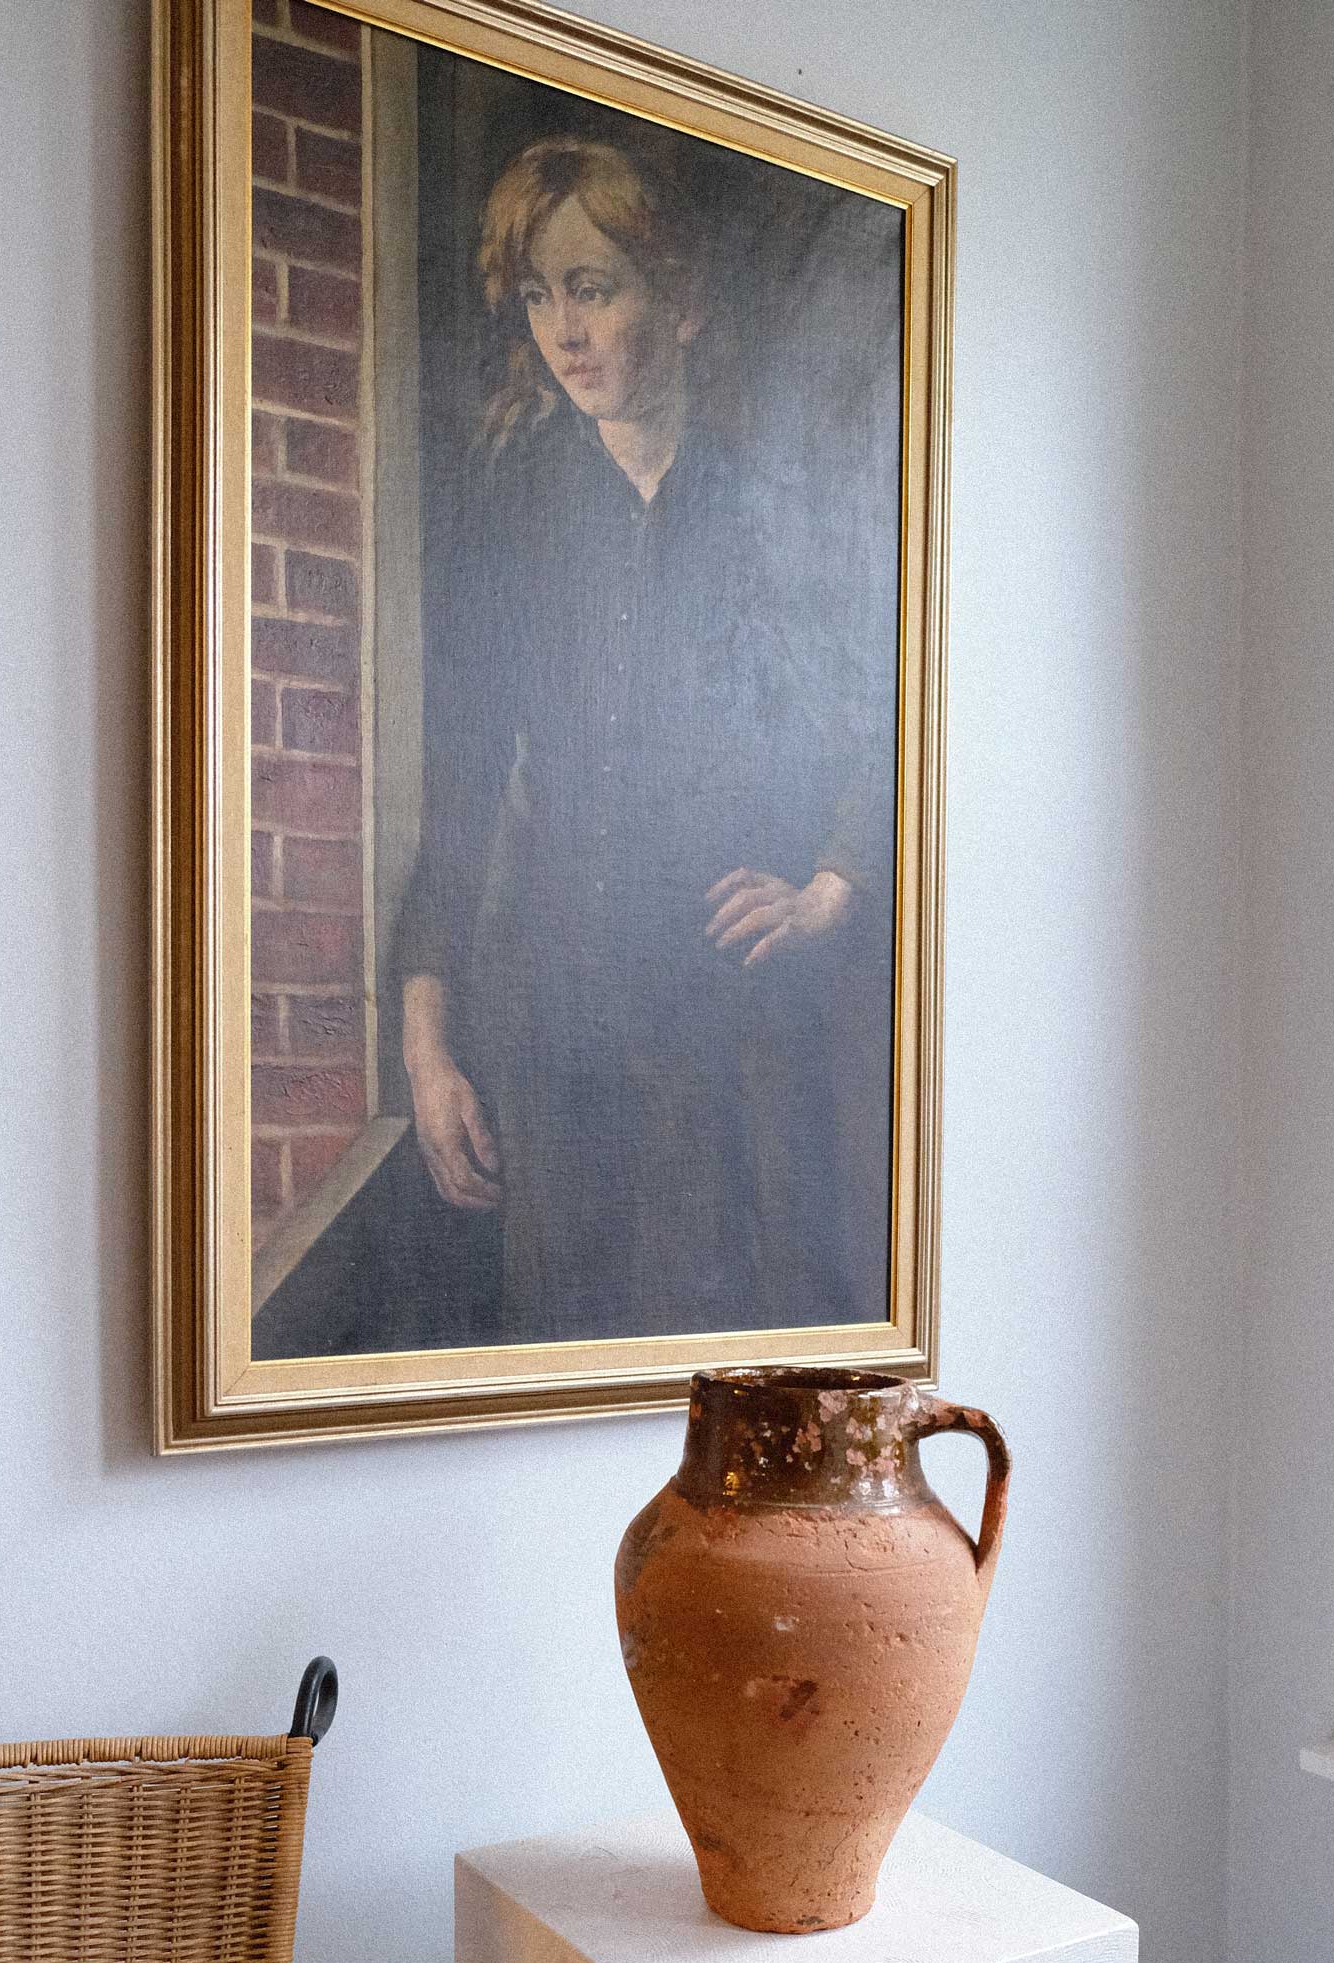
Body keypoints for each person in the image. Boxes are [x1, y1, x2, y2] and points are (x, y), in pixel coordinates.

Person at [394, 135, 890, 1344]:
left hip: (741, 1031)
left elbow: (889, 715)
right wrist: (425, 1049)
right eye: (539, 295)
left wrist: (832, 883)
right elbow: (459, 792)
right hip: (558, 1031)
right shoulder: (515, 518)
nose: (563, 330)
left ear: (682, 303)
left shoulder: (768, 508)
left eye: (595, 287)